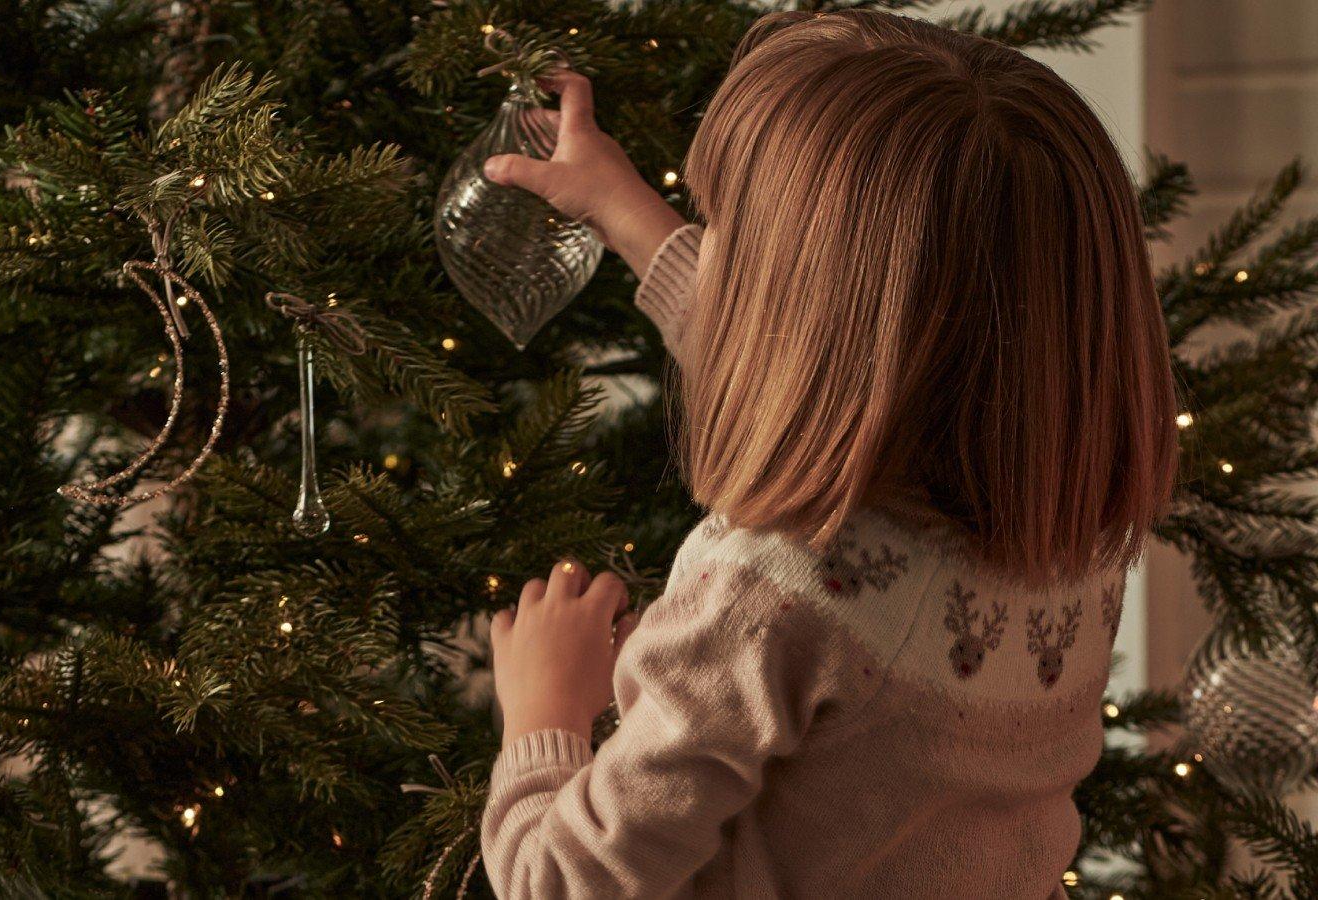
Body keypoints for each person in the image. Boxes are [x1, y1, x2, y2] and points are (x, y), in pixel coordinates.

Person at [477, 9, 1178, 897]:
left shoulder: (768, 594)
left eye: (725, 226)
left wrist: (545, 711)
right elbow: (819, 365)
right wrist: (620, 206)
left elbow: (559, 881)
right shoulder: (1071, 535)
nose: (714, 247)